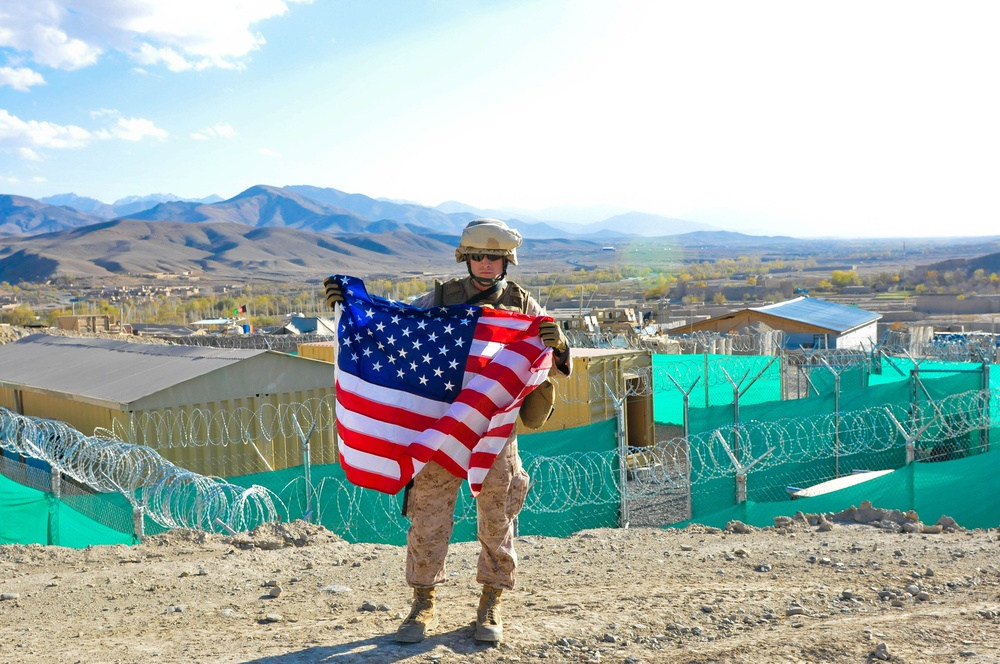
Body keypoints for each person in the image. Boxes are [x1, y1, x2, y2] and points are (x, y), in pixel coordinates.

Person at [324, 218, 570, 643]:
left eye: (495, 257)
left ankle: (491, 600)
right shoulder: (437, 299)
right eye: (478, 256)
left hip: (495, 429)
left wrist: (561, 345)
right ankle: (423, 603)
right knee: (429, 515)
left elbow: (548, 359)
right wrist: (350, 307)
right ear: (465, 257)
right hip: (442, 427)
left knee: (498, 515)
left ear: (507, 260)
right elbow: (395, 331)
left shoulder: (523, 305)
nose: (486, 264)